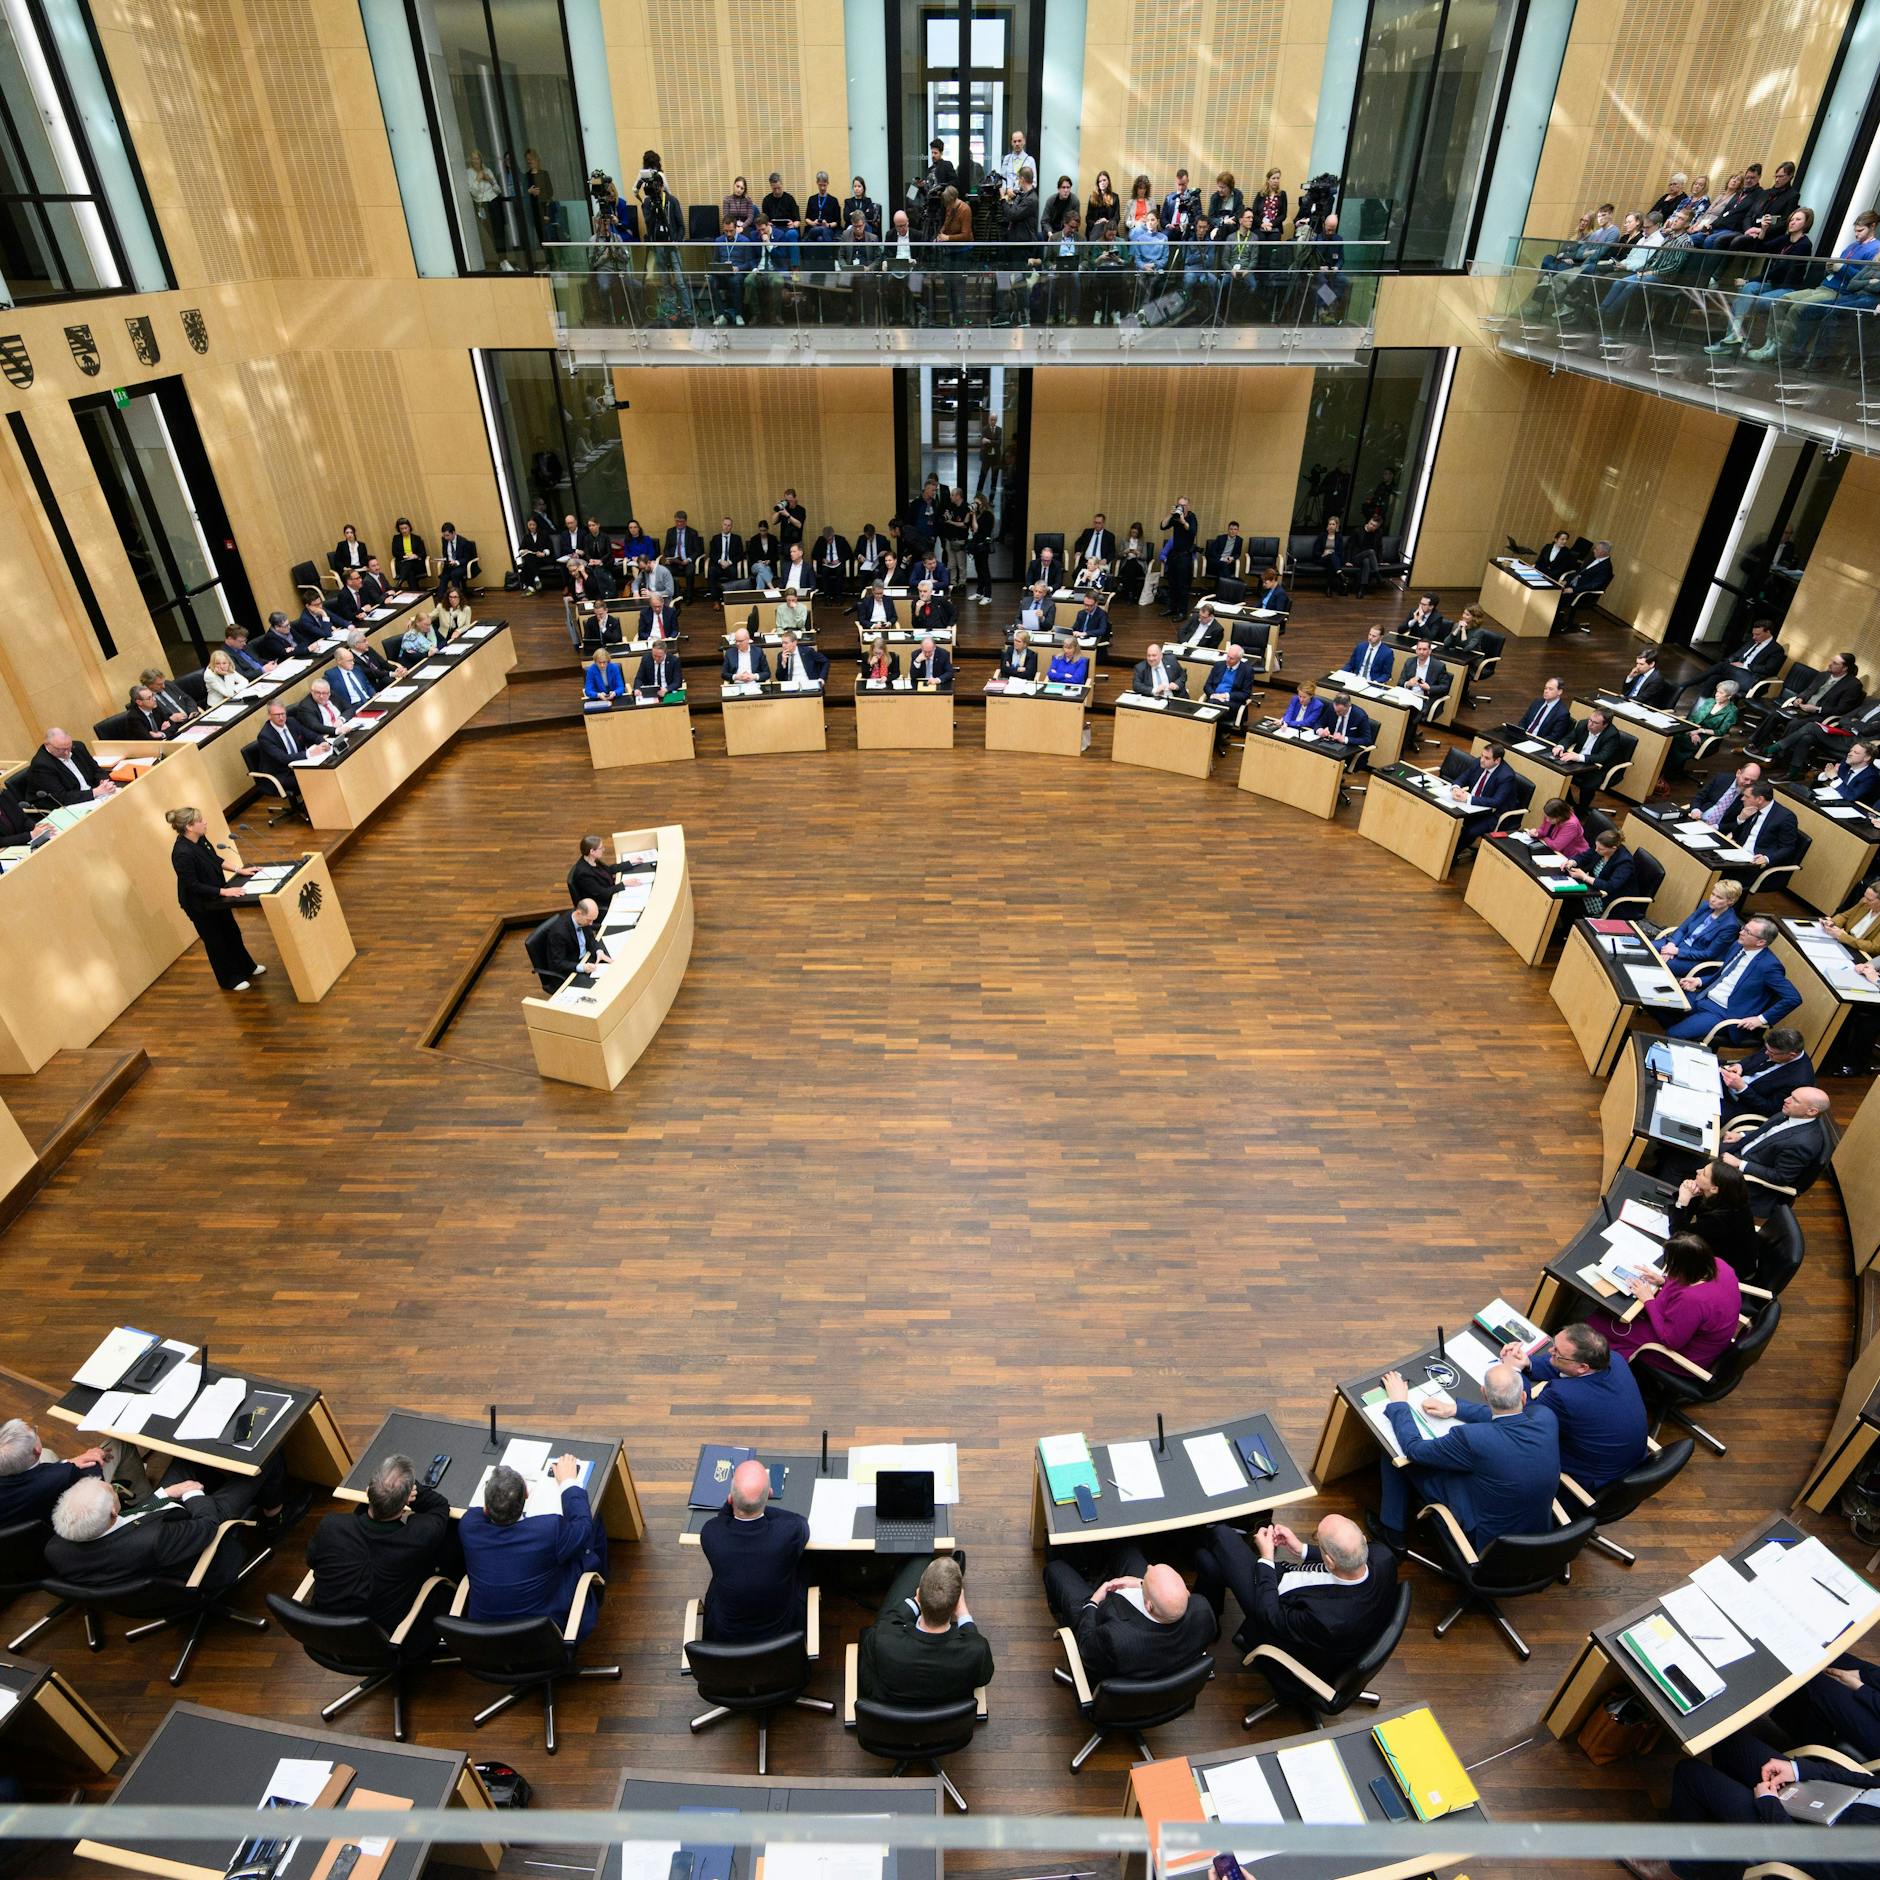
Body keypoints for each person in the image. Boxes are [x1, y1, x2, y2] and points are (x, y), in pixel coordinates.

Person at [1375, 1362, 1558, 1553]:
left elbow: (1414, 1449)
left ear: (1484, 1394)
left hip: (1486, 1542)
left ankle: (1392, 1535)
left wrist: (1398, 1403)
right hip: (1536, 1531)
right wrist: (1455, 1410)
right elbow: (1514, 1416)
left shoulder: (1472, 1438)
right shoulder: (1546, 1418)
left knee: (1395, 1451)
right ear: (1523, 1396)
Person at [48, 1452, 293, 1592]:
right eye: (111, 1491)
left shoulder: (56, 1548)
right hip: (195, 1539)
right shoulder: (154, 1540)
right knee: (265, 1459)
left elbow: (134, 1518)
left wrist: (165, 1495)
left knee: (184, 1459)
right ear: (113, 1512)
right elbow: (206, 1525)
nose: (113, 1487)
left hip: (157, 1535)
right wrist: (192, 1492)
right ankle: (275, 1520)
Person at [1192, 1513, 1397, 1672]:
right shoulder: (1382, 1556)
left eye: (1318, 1540)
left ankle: (1185, 1538)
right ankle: (1209, 1624)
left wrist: (1267, 1559)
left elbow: (1270, 1616)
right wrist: (1301, 1549)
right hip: (1292, 1587)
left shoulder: (1326, 1619)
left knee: (1221, 1535)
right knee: (1207, 1562)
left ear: (1330, 1562)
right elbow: (1347, 1556)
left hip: (1273, 1608)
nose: (1315, 1541)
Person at [306, 1452, 457, 1635]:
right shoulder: (418, 1537)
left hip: (324, 1632)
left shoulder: (331, 1526)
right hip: (383, 1640)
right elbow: (439, 1506)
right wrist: (409, 1489)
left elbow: (312, 1561)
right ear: (406, 1500)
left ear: (369, 1491)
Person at [460, 1456, 607, 1639]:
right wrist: (568, 1482)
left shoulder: (469, 1527)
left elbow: (474, 1513)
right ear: (527, 1495)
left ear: (486, 1509)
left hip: (484, 1641)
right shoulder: (548, 1531)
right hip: (544, 1639)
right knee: (593, 1523)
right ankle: (599, 1590)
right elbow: (583, 1525)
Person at [1497, 1323, 1648, 1493]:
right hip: (1625, 1455)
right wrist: (1527, 1363)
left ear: (1583, 1367)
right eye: (1554, 1346)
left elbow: (1525, 1418)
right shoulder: (1614, 1359)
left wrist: (1514, 1371)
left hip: (1596, 1479)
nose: (1549, 1352)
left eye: (1557, 1353)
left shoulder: (1563, 1395)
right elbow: (1566, 1369)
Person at [1043, 1546, 1217, 1684]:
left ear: (1148, 1605)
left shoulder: (1114, 1638)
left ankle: (1062, 1615)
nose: (1148, 1567)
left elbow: (1087, 1645)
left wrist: (1093, 1602)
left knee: (1055, 1569)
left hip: (1102, 1634)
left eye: (1147, 1575)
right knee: (1127, 1549)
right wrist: (1141, 1583)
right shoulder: (1203, 1612)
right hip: (1166, 1666)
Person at [1590, 1230, 1740, 1377]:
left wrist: (1648, 1300)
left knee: (1602, 1323)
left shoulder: (1693, 1300)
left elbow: (1670, 1341)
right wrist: (1663, 1281)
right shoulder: (1719, 1265)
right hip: (1704, 1339)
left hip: (1685, 1356)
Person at [857, 1552, 993, 1707]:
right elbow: (983, 1677)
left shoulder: (883, 1638)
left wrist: (916, 1602)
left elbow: (886, 1625)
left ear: (918, 1594)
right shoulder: (976, 1651)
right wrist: (963, 1613)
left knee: (920, 1558)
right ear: (956, 1605)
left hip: (890, 1712)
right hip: (944, 1723)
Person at [167, 804, 261, 991]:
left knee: (232, 932)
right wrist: (223, 892)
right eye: (200, 821)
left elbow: (214, 859)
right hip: (199, 904)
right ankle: (229, 979)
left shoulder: (200, 839)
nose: (205, 823)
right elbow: (192, 885)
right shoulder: (182, 853)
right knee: (216, 941)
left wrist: (239, 869)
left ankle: (247, 967)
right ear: (189, 827)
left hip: (216, 897)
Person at [1666, 916, 1801, 1040]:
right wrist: (1699, 981)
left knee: (1674, 1034)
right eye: (1744, 928)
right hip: (1702, 996)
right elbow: (1723, 975)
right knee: (1655, 1003)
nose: (1741, 932)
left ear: (1760, 942)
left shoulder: (1769, 966)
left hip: (1723, 1013)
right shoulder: (1738, 945)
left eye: (1747, 932)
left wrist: (1761, 1019)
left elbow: (1793, 998)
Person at [1721, 1087, 1834, 1197]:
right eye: (1791, 1095)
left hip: (1748, 1173)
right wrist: (1742, 1135)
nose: (1786, 1100)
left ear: (1811, 1111)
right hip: (1742, 1148)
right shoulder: (1793, 1112)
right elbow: (1769, 1131)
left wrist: (1740, 1164)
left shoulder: (1802, 1144)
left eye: (1795, 1100)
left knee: (1704, 1169)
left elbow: (1781, 1177)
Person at [0, 1419, 112, 1525]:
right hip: (52, 1520)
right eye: (35, 1432)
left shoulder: (58, 1472)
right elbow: (94, 1474)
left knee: (47, 1453)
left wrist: (68, 1462)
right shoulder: (63, 1475)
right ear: (37, 1451)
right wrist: (97, 1454)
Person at [1669, 1159, 1761, 1284]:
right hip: (1721, 1252)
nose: (1698, 1171)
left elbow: (1678, 1236)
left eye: (1704, 1174)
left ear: (1714, 1188)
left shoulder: (1720, 1220)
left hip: (1724, 1273)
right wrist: (1692, 1195)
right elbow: (1687, 1219)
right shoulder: (1728, 1198)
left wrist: (1683, 1201)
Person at [1678, 616, 1784, 704]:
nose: (1754, 637)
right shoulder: (1753, 641)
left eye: (1757, 634)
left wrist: (1745, 666)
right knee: (1714, 677)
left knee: (1721, 666)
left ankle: (1686, 684)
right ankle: (1701, 705)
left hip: (1752, 680)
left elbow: (1768, 670)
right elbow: (1737, 654)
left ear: (1768, 632)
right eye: (1753, 634)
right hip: (1736, 673)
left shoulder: (1776, 649)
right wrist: (1730, 661)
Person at [1720, 1025, 1815, 1121]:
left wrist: (1742, 1088)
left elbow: (1769, 1109)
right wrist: (1740, 1065)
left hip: (1740, 1104)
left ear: (1791, 1055)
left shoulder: (1799, 1081)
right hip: (1727, 1081)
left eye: (1771, 1052)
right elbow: (1753, 1058)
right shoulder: (1775, 1048)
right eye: (1766, 1048)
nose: (1766, 1053)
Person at [526, 900, 608, 993]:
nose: (591, 924)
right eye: (589, 920)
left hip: (585, 959)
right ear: (578, 913)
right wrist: (582, 967)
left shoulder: (582, 919)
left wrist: (598, 951)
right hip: (569, 970)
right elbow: (558, 963)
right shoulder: (559, 933)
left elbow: (590, 939)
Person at [1655, 881, 1744, 967]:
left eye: (1719, 898)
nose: (1712, 899)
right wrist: (1672, 944)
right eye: (1713, 894)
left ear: (1730, 901)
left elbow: (1709, 953)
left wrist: (1677, 951)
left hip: (1694, 958)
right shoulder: (1705, 906)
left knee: (1657, 963)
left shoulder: (1730, 925)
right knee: (1646, 948)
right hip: (1678, 943)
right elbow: (1683, 928)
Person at [1553, 706, 1624, 811]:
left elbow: (1602, 757)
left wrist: (1578, 757)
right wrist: (1560, 746)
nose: (1590, 724)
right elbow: (1569, 738)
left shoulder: (1612, 735)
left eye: (1595, 723)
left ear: (1605, 725)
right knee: (1559, 771)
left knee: (1587, 786)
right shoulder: (1583, 724)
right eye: (1590, 720)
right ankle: (1570, 803)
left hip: (1599, 767)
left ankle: (1581, 809)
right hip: (1580, 761)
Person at [1450, 744, 1523, 847]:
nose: (1482, 760)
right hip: (1474, 806)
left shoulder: (1507, 776)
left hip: (1494, 814)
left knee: (1471, 832)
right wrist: (1456, 788)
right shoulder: (1479, 762)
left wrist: (1468, 798)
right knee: (1448, 814)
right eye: (1482, 755)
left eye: (1487, 758)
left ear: (1497, 760)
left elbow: (1496, 802)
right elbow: (1463, 777)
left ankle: (1452, 857)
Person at [24, 729, 116, 806]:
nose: (67, 753)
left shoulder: (78, 747)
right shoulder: (42, 765)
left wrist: (104, 782)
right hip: (68, 805)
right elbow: (61, 797)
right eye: (61, 749)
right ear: (47, 744)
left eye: (69, 747)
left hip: (95, 795)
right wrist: (95, 792)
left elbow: (96, 770)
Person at [1667, 680, 1739, 777]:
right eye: (1717, 691)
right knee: (1671, 738)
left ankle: (1668, 771)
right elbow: (1693, 718)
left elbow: (1721, 731)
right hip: (1692, 730)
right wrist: (1693, 732)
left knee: (1675, 741)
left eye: (1721, 693)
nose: (1717, 694)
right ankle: (1668, 770)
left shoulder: (1732, 711)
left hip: (1707, 738)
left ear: (1729, 696)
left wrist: (1700, 731)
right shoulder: (1710, 701)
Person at [1503, 677, 1572, 748]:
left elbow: (1553, 737)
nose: (1546, 691)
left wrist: (1533, 743)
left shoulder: (1562, 713)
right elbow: (1524, 720)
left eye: (1550, 689)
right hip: (1524, 737)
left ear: (1559, 692)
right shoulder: (1537, 702)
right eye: (1545, 688)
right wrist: (1519, 733)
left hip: (1537, 744)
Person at [1159, 499, 1199, 620]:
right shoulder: (1175, 516)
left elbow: (1192, 531)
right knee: (1172, 583)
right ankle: (1172, 608)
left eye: (1183, 505)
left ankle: (1182, 612)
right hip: (1174, 556)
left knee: (1183, 585)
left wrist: (1183, 521)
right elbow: (1163, 526)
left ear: (1188, 506)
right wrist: (1170, 514)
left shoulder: (1192, 517)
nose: (1181, 507)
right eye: (1179, 505)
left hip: (1185, 556)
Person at [1203, 643, 1258, 719]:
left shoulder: (1247, 671)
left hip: (1232, 703)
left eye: (1231, 658)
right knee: (1212, 707)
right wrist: (1213, 695)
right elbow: (1207, 685)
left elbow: (1245, 694)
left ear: (1239, 659)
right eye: (1227, 656)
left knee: (1210, 709)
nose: (1228, 660)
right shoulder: (1219, 665)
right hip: (1214, 698)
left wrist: (1225, 695)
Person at [1826, 880, 1880, 956]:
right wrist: (1832, 923)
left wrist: (1843, 937)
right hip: (1843, 940)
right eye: (1865, 896)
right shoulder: (1864, 902)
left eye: (1869, 900)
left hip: (1861, 952)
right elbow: (1844, 916)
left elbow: (1874, 947)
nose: (1864, 901)